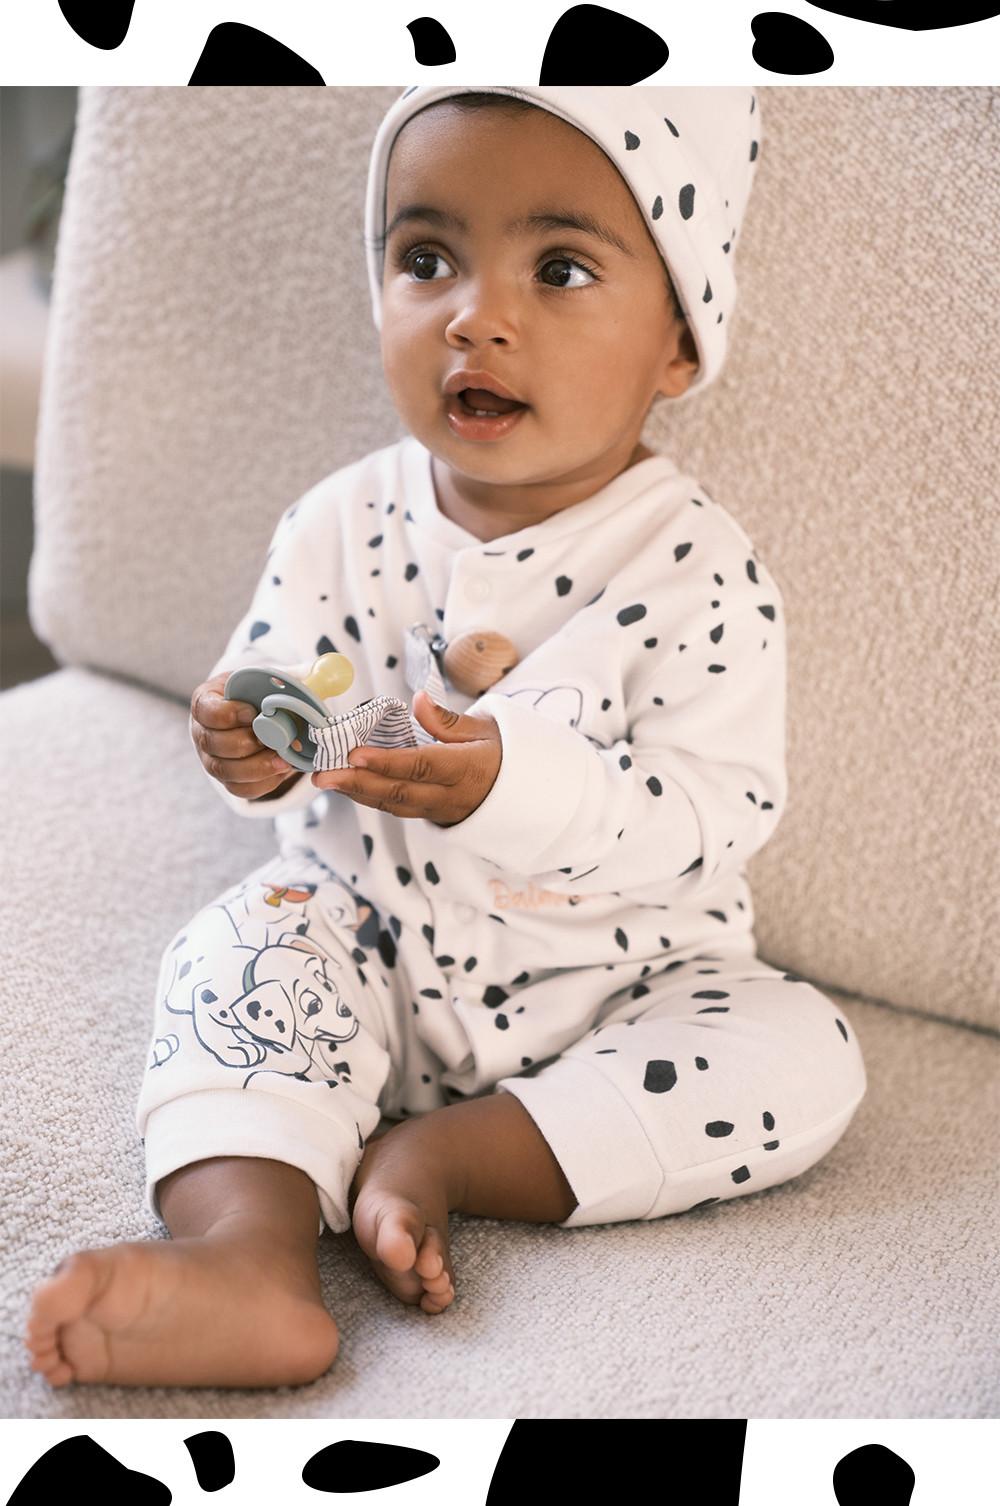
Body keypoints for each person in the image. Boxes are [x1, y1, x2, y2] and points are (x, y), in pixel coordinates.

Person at [25, 85, 866, 1390]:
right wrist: (248, 739)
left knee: (805, 1058)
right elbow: (279, 683)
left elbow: (716, 813)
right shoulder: (340, 517)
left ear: (679, 345)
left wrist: (512, 785)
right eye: (427, 260)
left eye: (562, 267)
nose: (477, 313)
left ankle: (455, 1154)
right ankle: (245, 1250)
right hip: (362, 932)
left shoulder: (701, 568)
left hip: (617, 980)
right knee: (235, 947)